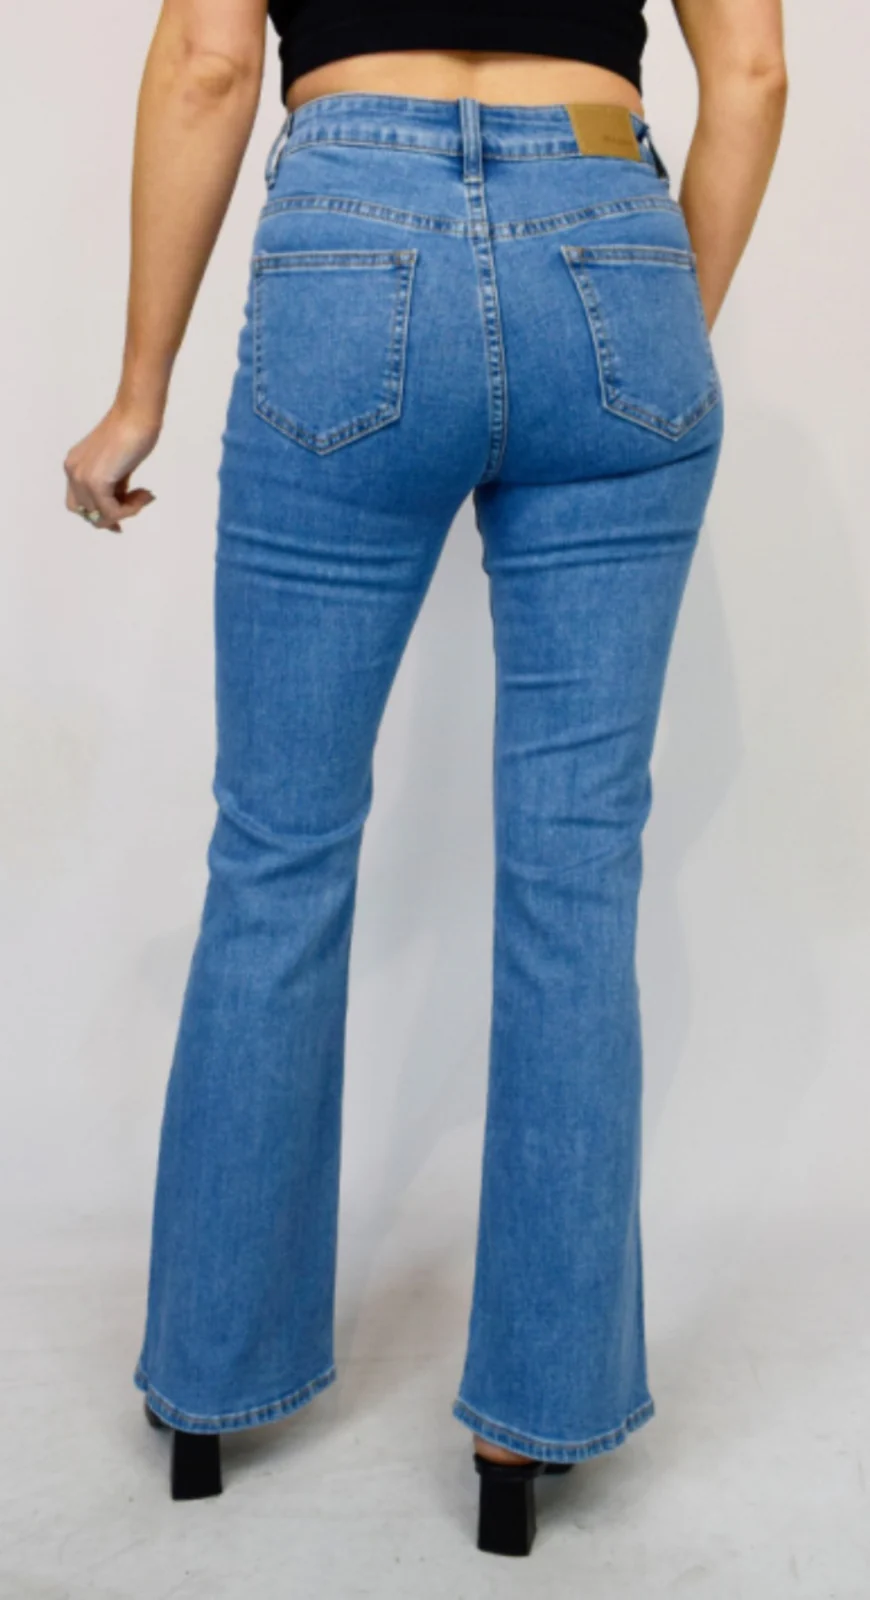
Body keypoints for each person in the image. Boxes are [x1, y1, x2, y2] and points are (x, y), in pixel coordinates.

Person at [63, 0, 787, 1558]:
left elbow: (206, 61)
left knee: (277, 848)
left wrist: (138, 388)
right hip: (607, 227)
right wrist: (653, 323)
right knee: (577, 866)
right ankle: (530, 1424)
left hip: (350, 226)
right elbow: (748, 71)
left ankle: (209, 1384)